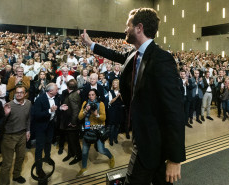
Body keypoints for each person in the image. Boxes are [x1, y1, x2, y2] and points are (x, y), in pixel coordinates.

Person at [81, 7, 185, 184]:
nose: (124, 29)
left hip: (151, 141)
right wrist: (91, 44)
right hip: (142, 134)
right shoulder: (134, 54)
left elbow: (174, 110)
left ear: (139, 28)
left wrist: (175, 159)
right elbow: (115, 55)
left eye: (127, 25)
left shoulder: (161, 59)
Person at [77, 89, 115, 176]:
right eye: (89, 95)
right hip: (88, 129)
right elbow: (79, 117)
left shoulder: (100, 104)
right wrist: (85, 111)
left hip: (98, 130)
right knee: (85, 151)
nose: (91, 97)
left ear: (96, 95)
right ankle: (84, 167)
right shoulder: (85, 103)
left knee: (101, 149)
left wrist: (96, 114)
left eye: (93, 95)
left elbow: (104, 118)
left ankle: (111, 157)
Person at [0, 85, 31, 185]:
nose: (19, 94)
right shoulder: (9, 105)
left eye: (21, 92)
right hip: (9, 136)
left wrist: (28, 130)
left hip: (22, 134)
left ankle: (16, 175)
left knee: (20, 157)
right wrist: (5, 114)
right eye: (17, 92)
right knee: (7, 163)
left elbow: (28, 118)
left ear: (25, 94)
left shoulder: (28, 103)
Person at [31, 83, 63, 178]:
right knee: (39, 147)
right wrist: (49, 110)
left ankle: (47, 157)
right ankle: (39, 169)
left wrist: (60, 108)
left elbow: (56, 109)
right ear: (50, 91)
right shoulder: (40, 99)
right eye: (56, 89)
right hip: (40, 126)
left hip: (50, 125)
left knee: (48, 143)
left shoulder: (56, 98)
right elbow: (36, 115)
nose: (58, 91)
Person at [60, 79, 82, 165]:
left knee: (74, 140)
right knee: (70, 139)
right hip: (68, 121)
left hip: (72, 123)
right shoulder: (74, 93)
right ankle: (71, 154)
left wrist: (73, 123)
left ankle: (78, 156)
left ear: (68, 87)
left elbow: (76, 111)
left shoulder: (73, 96)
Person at [107, 79, 124, 145]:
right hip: (113, 110)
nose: (114, 84)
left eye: (116, 83)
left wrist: (121, 96)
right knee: (112, 126)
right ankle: (111, 139)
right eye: (113, 83)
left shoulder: (121, 91)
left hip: (119, 110)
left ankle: (115, 138)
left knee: (117, 125)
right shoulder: (110, 91)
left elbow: (123, 100)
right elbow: (110, 102)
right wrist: (117, 96)